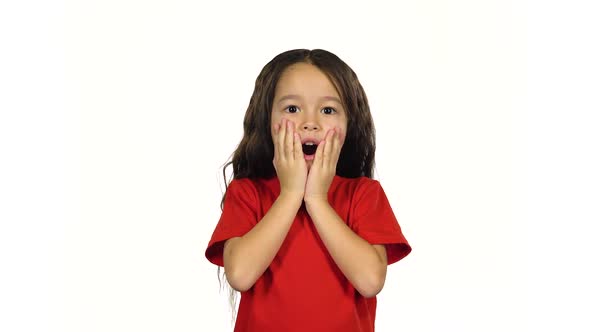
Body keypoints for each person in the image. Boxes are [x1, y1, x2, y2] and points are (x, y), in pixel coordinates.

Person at [205, 49, 411, 332]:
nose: (309, 122)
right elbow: (240, 274)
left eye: (328, 110)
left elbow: (370, 281)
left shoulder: (363, 194)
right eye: (292, 109)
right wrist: (290, 194)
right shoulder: (248, 192)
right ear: (268, 121)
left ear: (349, 124)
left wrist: (316, 199)